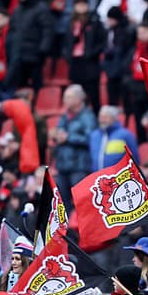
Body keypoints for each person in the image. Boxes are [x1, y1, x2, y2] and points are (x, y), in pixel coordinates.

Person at [52, 84, 96, 213]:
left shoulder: (87, 117)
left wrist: (69, 137)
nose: (64, 100)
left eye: (68, 97)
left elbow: (90, 139)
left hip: (79, 167)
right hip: (62, 167)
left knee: (81, 204)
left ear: (78, 99)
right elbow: (60, 134)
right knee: (62, 204)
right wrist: (55, 135)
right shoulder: (65, 116)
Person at [88, 105, 139, 172]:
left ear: (114, 118)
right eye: (100, 117)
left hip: (119, 175)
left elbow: (134, 156)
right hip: (97, 176)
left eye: (106, 117)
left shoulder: (125, 135)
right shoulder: (94, 135)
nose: (102, 120)